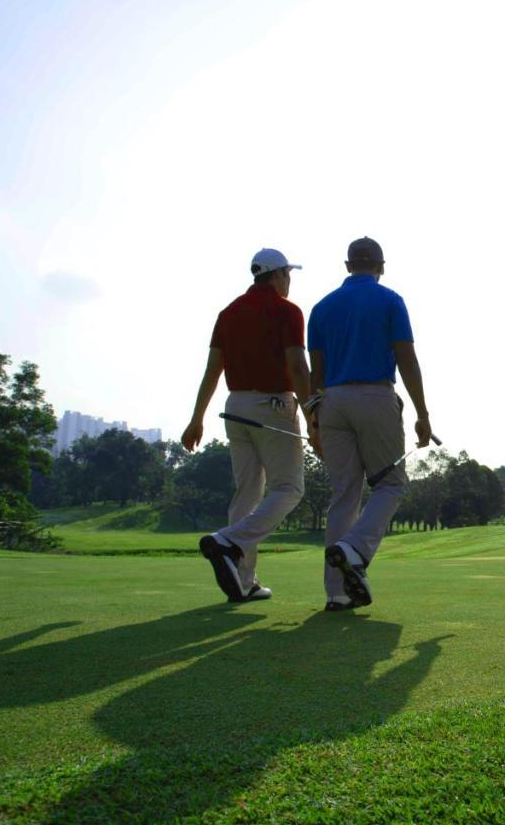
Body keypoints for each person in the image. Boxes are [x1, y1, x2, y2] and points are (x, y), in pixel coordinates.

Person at [182, 247, 317, 603]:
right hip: (273, 404)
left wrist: (196, 419)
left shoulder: (228, 313)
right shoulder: (287, 311)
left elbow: (213, 371)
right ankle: (231, 542)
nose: (289, 281)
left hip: (235, 406)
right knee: (289, 488)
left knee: (247, 492)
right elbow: (298, 368)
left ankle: (244, 581)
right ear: (277, 275)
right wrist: (313, 419)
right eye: (288, 274)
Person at [306, 236, 433, 610]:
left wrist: (314, 421)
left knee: (344, 494)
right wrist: (423, 414)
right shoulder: (391, 300)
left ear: (347, 266)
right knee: (391, 484)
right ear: (381, 266)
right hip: (375, 396)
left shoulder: (321, 307)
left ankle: (337, 592)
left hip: (331, 402)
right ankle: (355, 550)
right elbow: (406, 359)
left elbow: (317, 371)